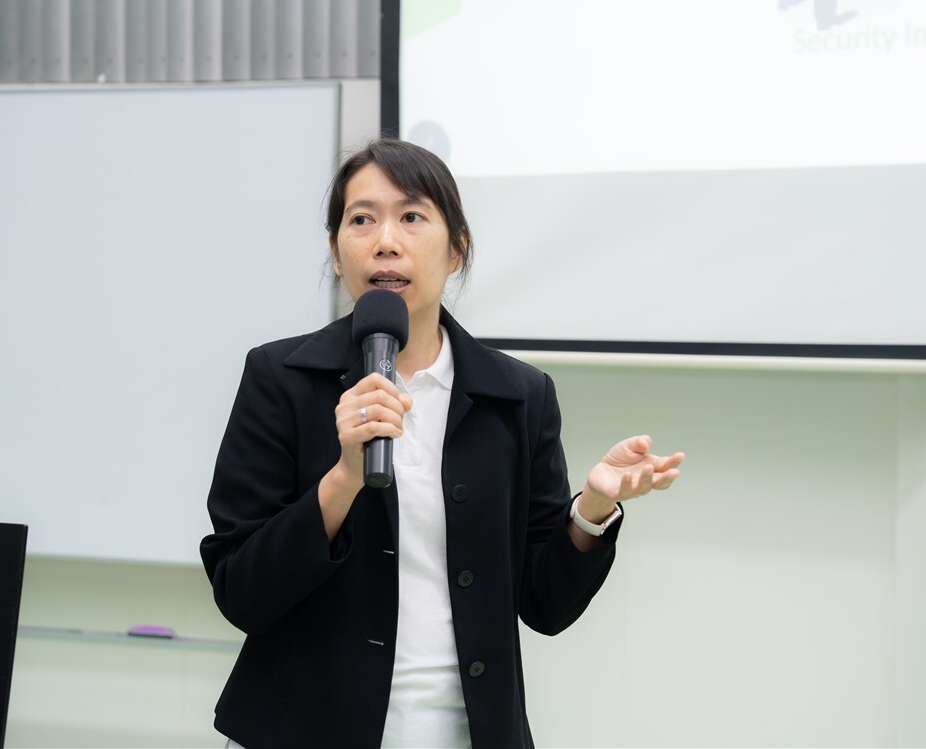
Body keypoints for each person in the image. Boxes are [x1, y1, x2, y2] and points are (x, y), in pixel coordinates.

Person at [200, 138, 684, 749]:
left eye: (411, 216)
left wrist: (590, 510)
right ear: (336, 251)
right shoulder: (281, 379)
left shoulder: (518, 396)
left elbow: (546, 605)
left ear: (457, 249)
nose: (385, 241)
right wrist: (343, 479)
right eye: (361, 220)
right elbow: (241, 591)